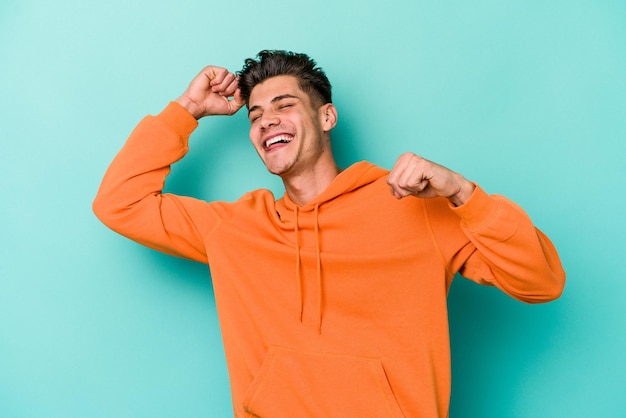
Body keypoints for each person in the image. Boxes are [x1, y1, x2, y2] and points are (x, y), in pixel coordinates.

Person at [93, 50, 565, 418]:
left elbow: (541, 282)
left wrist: (463, 192)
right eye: (255, 116)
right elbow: (118, 202)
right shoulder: (235, 228)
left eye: (284, 105)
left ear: (327, 117)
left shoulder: (415, 208)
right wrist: (187, 110)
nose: (267, 120)